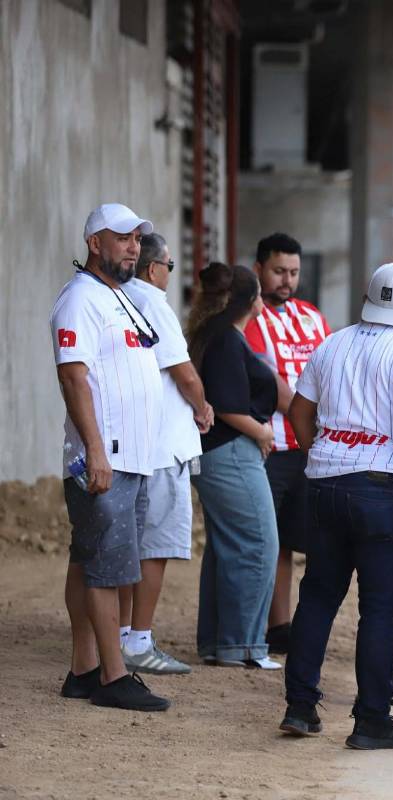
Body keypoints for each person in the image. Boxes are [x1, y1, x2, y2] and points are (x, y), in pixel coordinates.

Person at [279, 262, 393, 749]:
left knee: (318, 598)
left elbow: (298, 411)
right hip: (383, 488)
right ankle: (371, 719)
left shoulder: (332, 344)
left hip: (325, 483)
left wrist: (321, 455)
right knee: (380, 611)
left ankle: (300, 706)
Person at [53, 202, 170, 711]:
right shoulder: (80, 298)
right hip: (105, 459)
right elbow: (72, 376)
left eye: (137, 239)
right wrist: (96, 451)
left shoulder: (117, 297)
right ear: (94, 243)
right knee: (105, 567)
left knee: (88, 559)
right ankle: (112, 676)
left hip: (131, 458)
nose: (132, 247)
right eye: (121, 238)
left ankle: (83, 670)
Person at [119, 233, 213, 674]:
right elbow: (184, 372)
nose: (170, 275)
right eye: (170, 266)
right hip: (163, 448)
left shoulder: (116, 298)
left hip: (134, 445)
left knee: (128, 546)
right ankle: (137, 640)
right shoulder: (153, 302)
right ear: (155, 269)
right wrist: (203, 407)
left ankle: (122, 634)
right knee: (152, 548)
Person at [186, 263, 281, 670]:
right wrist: (262, 432)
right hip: (231, 452)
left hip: (220, 452)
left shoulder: (218, 334)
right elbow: (226, 406)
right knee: (258, 542)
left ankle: (219, 642)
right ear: (250, 300)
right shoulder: (226, 338)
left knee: (227, 546)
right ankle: (243, 645)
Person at [243, 233, 329, 656]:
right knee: (267, 540)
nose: (287, 280)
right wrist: (306, 414)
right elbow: (267, 381)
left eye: (293, 272)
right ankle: (261, 626)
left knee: (300, 540)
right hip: (269, 447)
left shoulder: (312, 316)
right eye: (279, 271)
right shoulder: (250, 319)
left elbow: (329, 371)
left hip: (309, 447)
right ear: (259, 269)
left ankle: (287, 625)